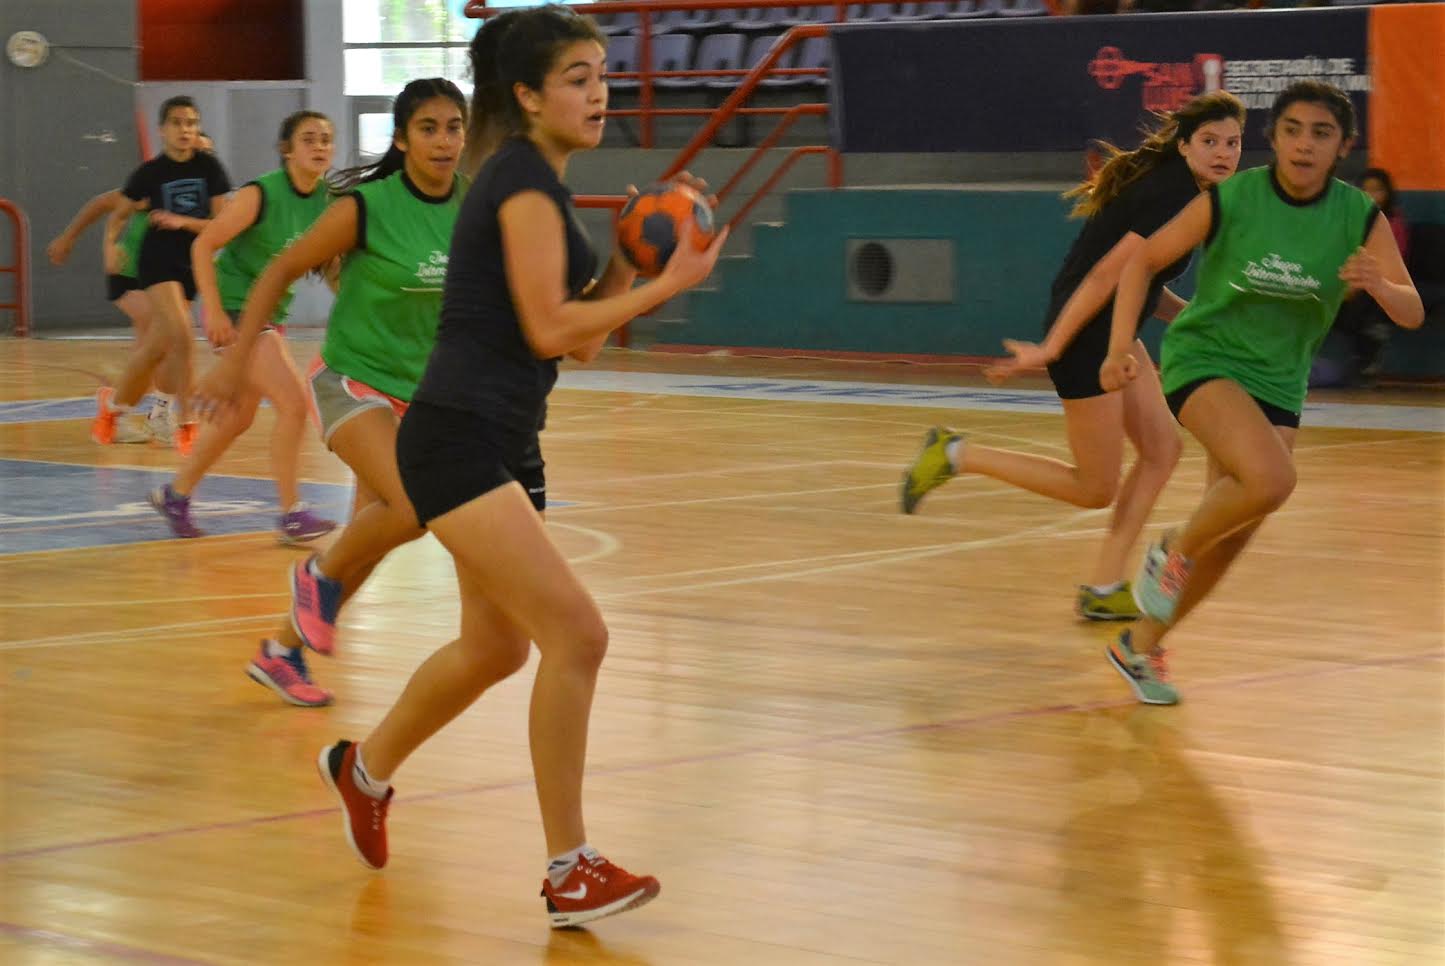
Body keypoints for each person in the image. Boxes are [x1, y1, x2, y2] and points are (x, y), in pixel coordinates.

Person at [287, 6, 721, 927]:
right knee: (580, 635)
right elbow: (544, 329)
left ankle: (362, 772)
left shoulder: (543, 191)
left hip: (503, 439)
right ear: (525, 96)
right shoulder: (520, 183)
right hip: (457, 438)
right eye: (575, 76)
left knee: (498, 647)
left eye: (602, 72)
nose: (598, 90)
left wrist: (631, 261)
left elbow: (581, 339)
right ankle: (569, 866)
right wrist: (668, 285)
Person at [1097, 81, 1422, 704]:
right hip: (1207, 359)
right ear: (1273, 139)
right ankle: (1172, 549)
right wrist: (1117, 349)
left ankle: (1139, 648)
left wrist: (1380, 282)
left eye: (1321, 133)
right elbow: (1139, 262)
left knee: (1237, 527)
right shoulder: (1232, 197)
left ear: (1343, 147)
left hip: (1279, 380)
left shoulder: (1358, 215)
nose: (1305, 144)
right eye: (1293, 129)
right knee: (1272, 480)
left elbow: (1409, 312)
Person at [900, 92, 1245, 621]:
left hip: (1115, 331)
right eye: (1210, 142)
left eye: (1233, 143)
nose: (1223, 152)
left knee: (1161, 451)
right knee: (1093, 487)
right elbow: (1108, 276)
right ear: (1184, 146)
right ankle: (955, 454)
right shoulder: (1170, 194)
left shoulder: (1188, 192)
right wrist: (1052, 347)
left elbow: (1143, 281)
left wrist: (1193, 316)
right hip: (1089, 336)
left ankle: (1105, 587)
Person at [195, 78, 469, 708]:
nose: (444, 140)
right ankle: (310, 576)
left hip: (418, 397)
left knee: (366, 546)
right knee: (411, 508)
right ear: (401, 138)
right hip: (352, 383)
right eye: (428, 127)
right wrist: (236, 363)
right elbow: (277, 271)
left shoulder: (471, 206)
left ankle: (282, 652)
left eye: (454, 126)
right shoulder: (366, 206)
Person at [147, 110, 339, 545]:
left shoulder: (327, 200)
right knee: (293, 404)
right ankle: (291, 512)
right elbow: (204, 244)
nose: (320, 146)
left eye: (326, 139)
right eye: (309, 138)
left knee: (237, 418)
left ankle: (175, 495)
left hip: (270, 313)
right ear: (287, 149)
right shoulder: (260, 194)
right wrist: (212, 309)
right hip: (235, 308)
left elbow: (328, 263)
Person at [93, 97, 232, 456]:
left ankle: (114, 408)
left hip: (192, 265)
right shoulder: (150, 173)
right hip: (156, 263)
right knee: (184, 338)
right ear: (162, 130)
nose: (185, 130)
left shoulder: (210, 168)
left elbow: (221, 224)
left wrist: (183, 222)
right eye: (177, 123)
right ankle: (186, 423)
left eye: (191, 123)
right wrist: (110, 244)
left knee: (158, 346)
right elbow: (118, 214)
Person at [1330, 167, 1411, 383]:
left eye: (1377, 190)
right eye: (1365, 190)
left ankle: (1367, 359)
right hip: (1350, 281)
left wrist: (1359, 284)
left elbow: (1389, 267)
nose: (1371, 196)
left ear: (1388, 193)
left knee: (1365, 302)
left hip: (1379, 283)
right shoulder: (1350, 220)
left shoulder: (1393, 224)